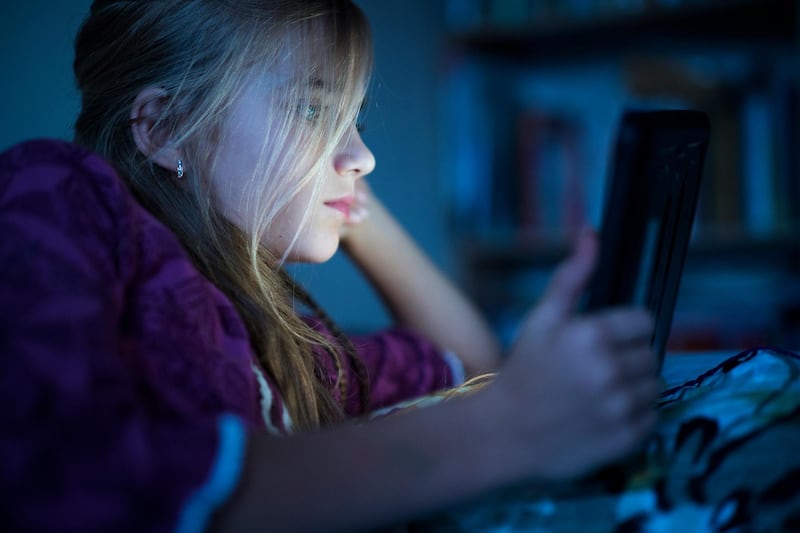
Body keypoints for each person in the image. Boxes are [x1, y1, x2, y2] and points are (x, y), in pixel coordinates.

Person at [0, 1, 661, 531]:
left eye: (357, 118)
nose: (365, 157)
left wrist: (347, 192)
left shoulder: (284, 354)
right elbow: (77, 479)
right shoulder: (56, 191)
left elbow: (468, 360)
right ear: (163, 128)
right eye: (314, 107)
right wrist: (508, 428)